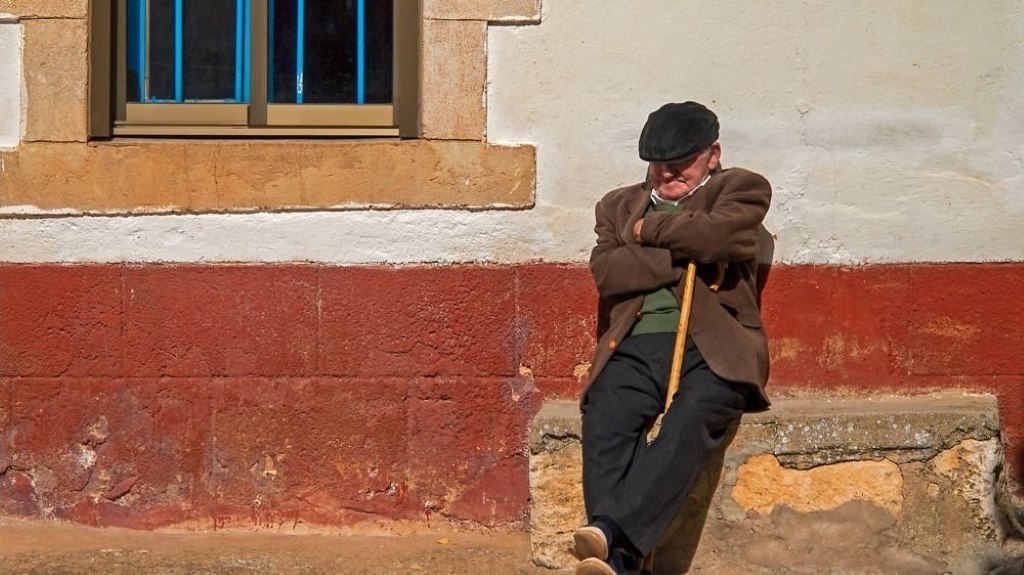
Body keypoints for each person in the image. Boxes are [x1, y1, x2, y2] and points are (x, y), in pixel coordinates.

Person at [574, 101, 772, 575]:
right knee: (605, 413)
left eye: (681, 161)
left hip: (717, 348)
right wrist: (685, 248)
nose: (667, 173)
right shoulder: (617, 205)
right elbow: (609, 273)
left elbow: (720, 238)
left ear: (713, 154)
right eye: (659, 163)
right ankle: (617, 555)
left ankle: (614, 542)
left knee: (694, 415)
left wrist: (648, 232)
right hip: (638, 343)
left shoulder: (741, 189)